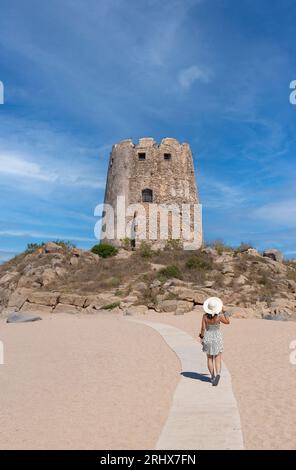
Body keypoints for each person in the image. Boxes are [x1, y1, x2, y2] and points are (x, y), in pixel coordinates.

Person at [199, 297, 230, 386]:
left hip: (208, 336)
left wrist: (201, 337)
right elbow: (228, 322)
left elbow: (203, 328)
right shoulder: (219, 316)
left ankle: (212, 376)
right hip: (217, 337)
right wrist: (225, 311)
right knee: (217, 357)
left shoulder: (204, 316)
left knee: (209, 358)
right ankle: (218, 374)